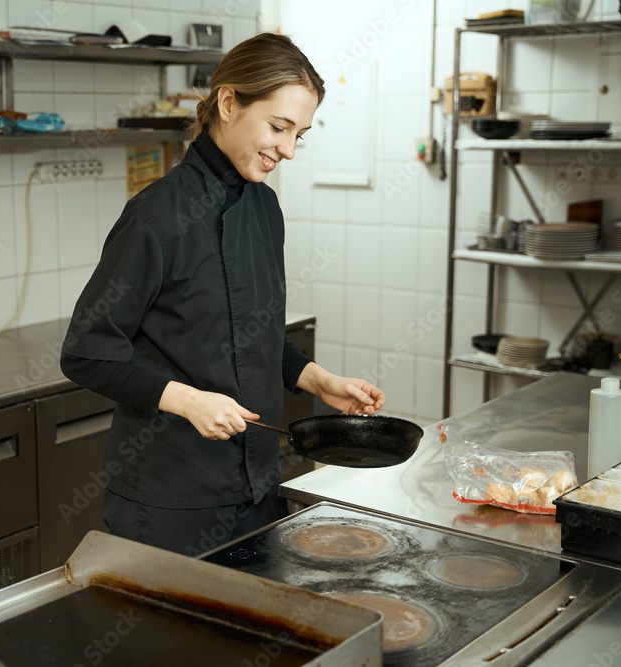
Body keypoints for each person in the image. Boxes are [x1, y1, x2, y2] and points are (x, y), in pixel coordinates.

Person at [60, 32, 386, 557]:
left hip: (256, 485)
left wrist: (318, 379)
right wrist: (187, 401)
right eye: (279, 127)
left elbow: (252, 333)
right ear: (229, 103)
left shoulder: (264, 209)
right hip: (168, 499)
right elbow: (86, 352)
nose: (288, 150)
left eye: (300, 134)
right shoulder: (156, 217)